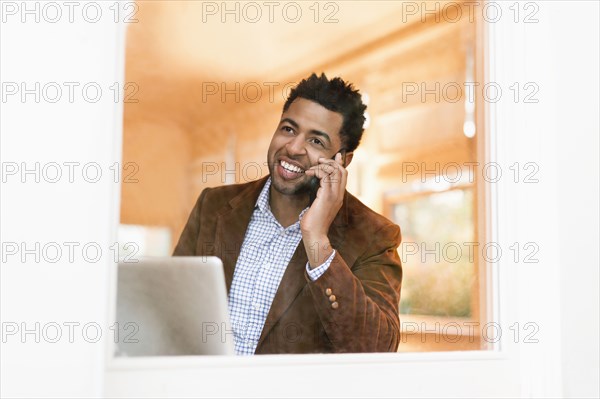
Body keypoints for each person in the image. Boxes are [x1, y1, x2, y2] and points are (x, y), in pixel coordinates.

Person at [174, 73, 403, 354]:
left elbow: (377, 349)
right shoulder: (214, 204)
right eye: (288, 129)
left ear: (342, 160)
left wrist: (317, 240)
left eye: (316, 141)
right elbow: (171, 303)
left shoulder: (374, 236)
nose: (293, 148)